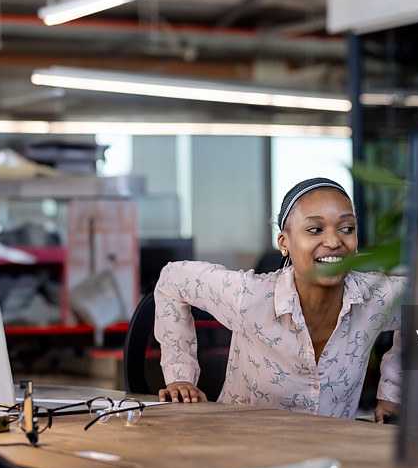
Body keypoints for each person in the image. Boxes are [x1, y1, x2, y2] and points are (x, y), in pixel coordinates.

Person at [153, 177, 404, 422]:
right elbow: (172, 279)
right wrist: (180, 376)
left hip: (331, 456)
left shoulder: (374, 297)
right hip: (246, 451)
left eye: (346, 229)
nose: (333, 241)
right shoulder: (250, 296)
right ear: (284, 243)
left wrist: (392, 391)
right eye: (315, 229)